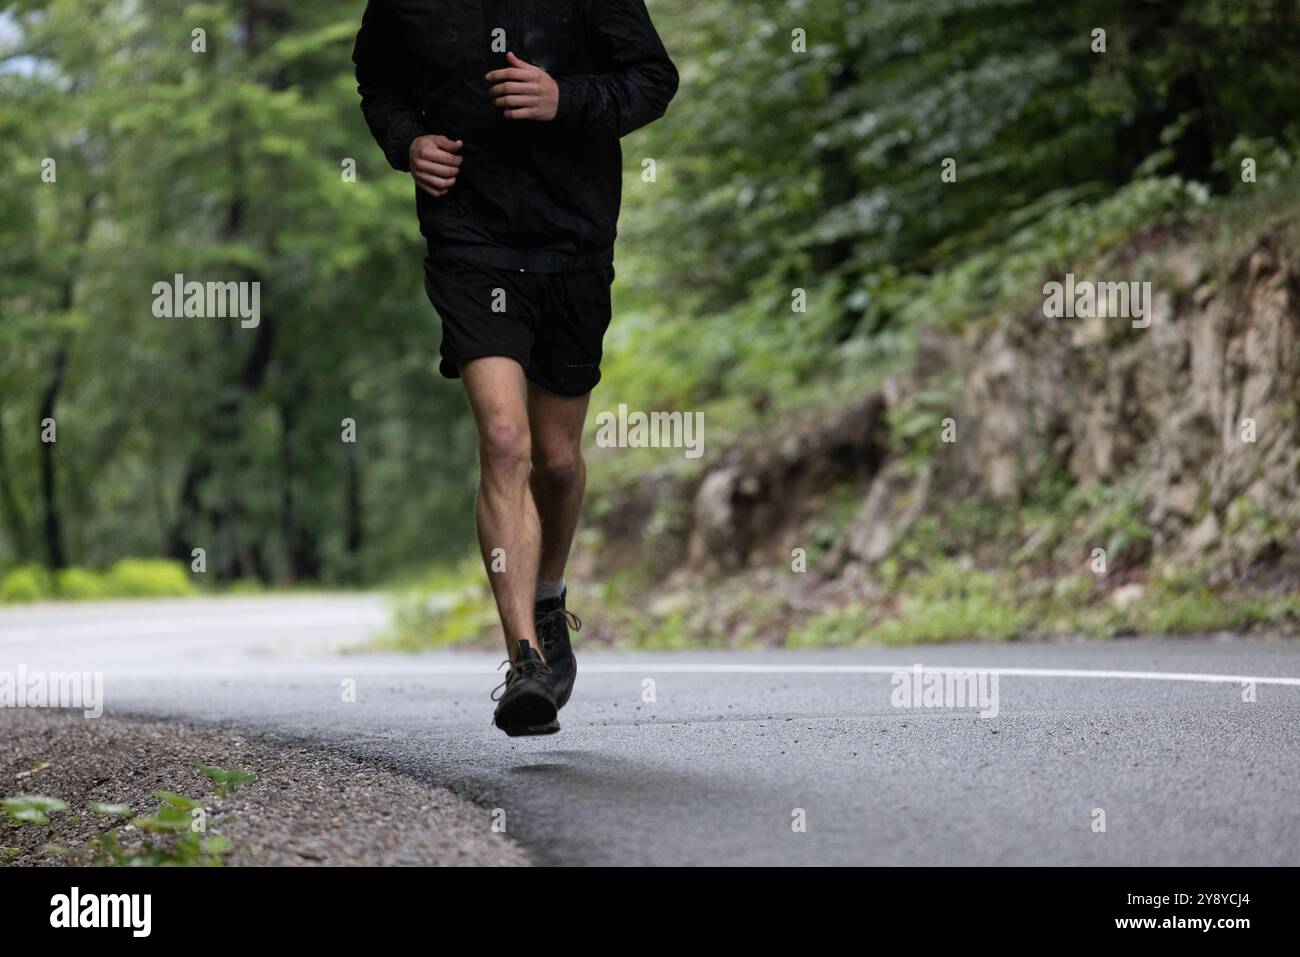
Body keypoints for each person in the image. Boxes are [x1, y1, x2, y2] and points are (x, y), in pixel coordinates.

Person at [353, 1, 678, 735]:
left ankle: (549, 596)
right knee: (505, 440)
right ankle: (525, 662)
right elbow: (377, 76)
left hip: (574, 239)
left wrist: (565, 98)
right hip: (470, 237)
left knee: (558, 461)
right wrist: (407, 142)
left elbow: (653, 80)